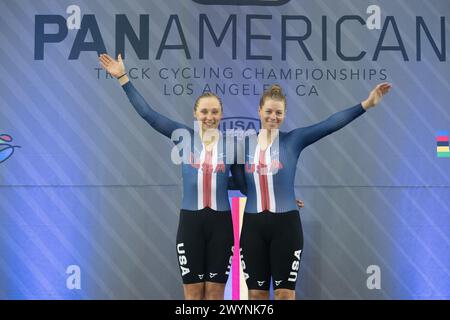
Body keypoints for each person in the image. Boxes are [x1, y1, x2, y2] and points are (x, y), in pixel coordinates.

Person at [99, 53, 246, 300]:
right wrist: (123, 77)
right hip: (191, 224)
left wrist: (279, 195)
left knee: (214, 293)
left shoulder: (233, 145)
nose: (210, 117)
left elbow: (242, 185)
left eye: (215, 112)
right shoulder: (182, 136)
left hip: (222, 225)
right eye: (205, 111)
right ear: (195, 113)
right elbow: (149, 114)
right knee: (192, 293)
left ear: (221, 115)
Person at [238, 83, 392, 300]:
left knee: (284, 295)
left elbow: (329, 125)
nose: (273, 116)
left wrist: (366, 104)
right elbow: (237, 182)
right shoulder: (241, 146)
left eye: (278, 112)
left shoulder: (293, 140)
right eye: (269, 111)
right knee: (256, 295)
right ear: (259, 111)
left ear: (284, 114)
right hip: (253, 229)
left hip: (286, 227)